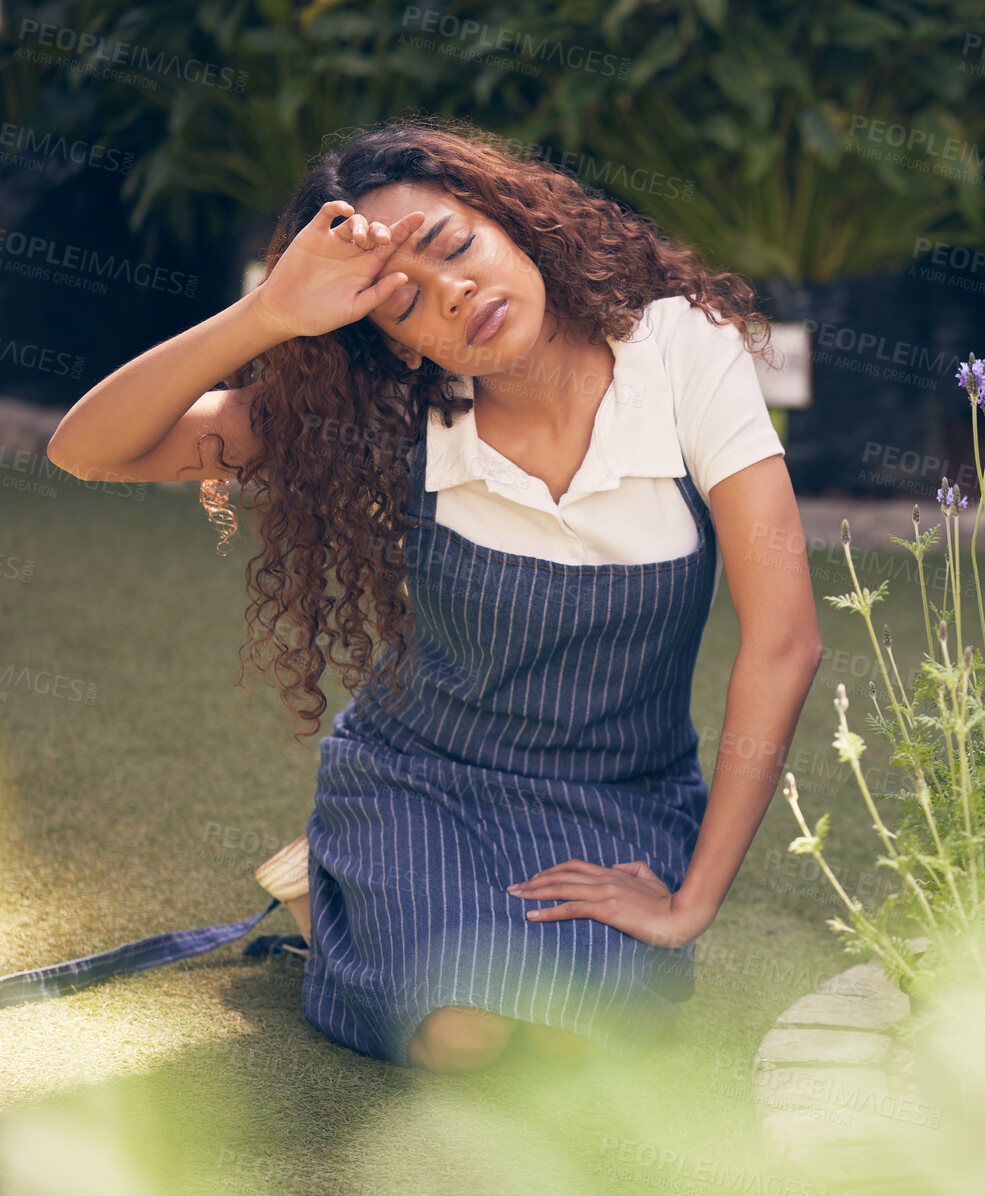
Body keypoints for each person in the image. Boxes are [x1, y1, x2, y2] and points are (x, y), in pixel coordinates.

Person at [37, 115, 824, 1074]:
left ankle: (330, 899)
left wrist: (691, 898)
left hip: (618, 798)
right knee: (466, 1038)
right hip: (425, 787)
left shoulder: (681, 353)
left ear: (511, 222)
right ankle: (342, 895)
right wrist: (268, 316)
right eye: (404, 303)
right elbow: (86, 450)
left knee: (588, 1044)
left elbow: (783, 641)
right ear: (397, 345)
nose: (455, 295)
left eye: (455, 247)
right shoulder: (389, 420)